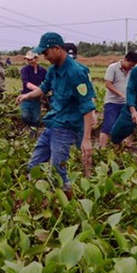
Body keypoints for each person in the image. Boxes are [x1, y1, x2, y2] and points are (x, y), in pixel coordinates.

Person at [16, 32, 96, 197]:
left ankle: (69, 208)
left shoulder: (76, 72)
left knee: (58, 172)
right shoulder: (53, 69)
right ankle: (34, 201)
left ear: (57, 49)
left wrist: (87, 139)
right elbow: (44, 88)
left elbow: (87, 106)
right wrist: (27, 96)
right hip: (53, 123)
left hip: (66, 128)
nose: (44, 57)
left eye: (46, 53)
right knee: (34, 166)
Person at [98, 51, 137, 146]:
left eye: (133, 65)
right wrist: (121, 94)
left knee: (127, 126)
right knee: (108, 125)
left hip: (127, 103)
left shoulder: (134, 70)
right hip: (112, 102)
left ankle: (125, 147)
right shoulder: (113, 68)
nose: (131, 67)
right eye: (130, 64)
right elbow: (108, 84)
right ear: (125, 60)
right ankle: (102, 148)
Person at [19, 51, 47, 128]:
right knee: (25, 116)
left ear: (36, 58)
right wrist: (38, 89)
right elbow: (26, 82)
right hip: (26, 97)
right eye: (28, 60)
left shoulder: (43, 71)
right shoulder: (24, 70)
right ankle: (29, 127)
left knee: (36, 119)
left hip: (37, 99)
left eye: (31, 59)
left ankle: (33, 132)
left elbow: (47, 82)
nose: (29, 61)